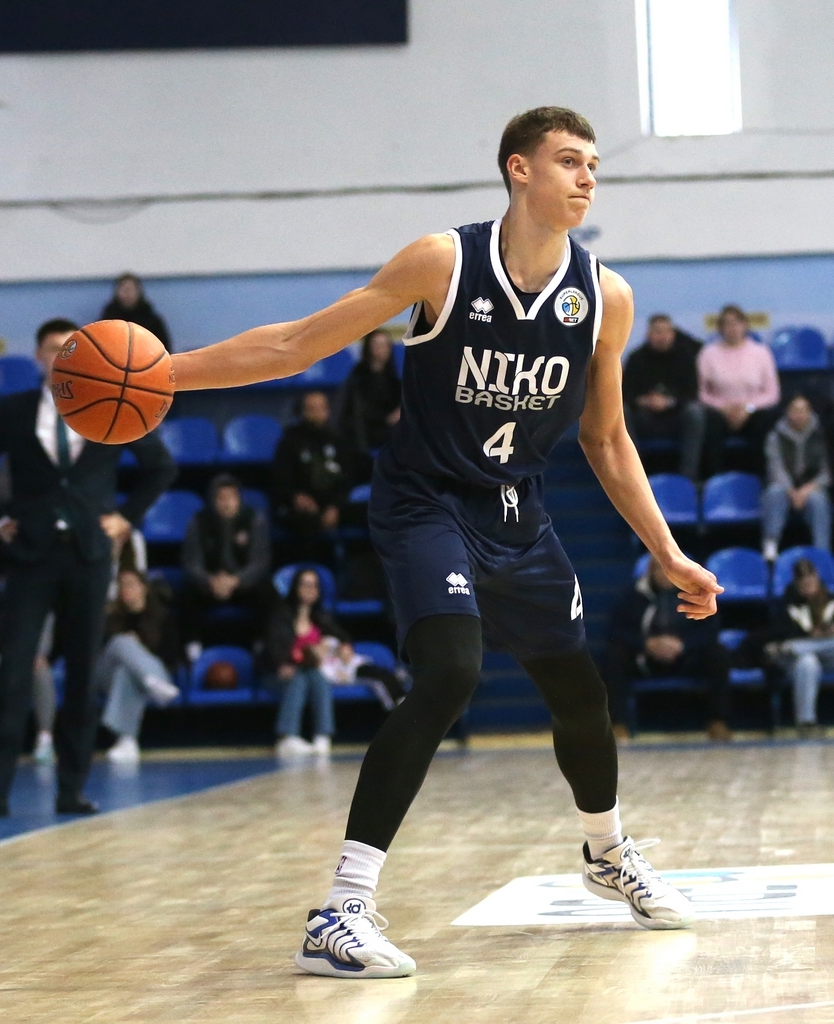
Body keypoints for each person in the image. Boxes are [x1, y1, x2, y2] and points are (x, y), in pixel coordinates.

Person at [89, 107, 723, 975]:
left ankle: (606, 853)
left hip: (517, 512)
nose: (586, 178)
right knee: (451, 670)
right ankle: (340, 911)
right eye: (568, 161)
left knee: (581, 694)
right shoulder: (442, 262)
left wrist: (666, 550)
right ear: (518, 169)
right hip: (425, 501)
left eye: (593, 165)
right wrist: (163, 374)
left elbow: (606, 438)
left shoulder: (604, 298)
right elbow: (296, 345)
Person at [0, 318, 176, 821]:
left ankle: (72, 788)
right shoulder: (14, 410)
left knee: (81, 674)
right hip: (30, 554)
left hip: (88, 554)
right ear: (38, 356)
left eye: (67, 348)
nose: (59, 356)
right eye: (53, 349)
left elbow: (162, 466)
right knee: (13, 671)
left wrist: (125, 518)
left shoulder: (113, 406)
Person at [603, 557, 731, 742]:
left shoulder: (695, 594)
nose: (665, 575)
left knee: (718, 653)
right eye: (660, 569)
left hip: (685, 657)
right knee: (613, 656)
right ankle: (617, 725)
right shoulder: (633, 595)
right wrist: (646, 644)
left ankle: (718, 722)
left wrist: (683, 644)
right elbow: (615, 631)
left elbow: (710, 630)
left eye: (669, 570)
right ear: (650, 571)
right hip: (645, 659)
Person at [262, 567, 352, 758]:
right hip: (277, 673)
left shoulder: (320, 617)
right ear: (295, 587)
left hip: (307, 671)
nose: (310, 589)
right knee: (297, 678)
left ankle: (323, 735)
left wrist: (344, 645)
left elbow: (341, 635)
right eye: (305, 584)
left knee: (318, 677)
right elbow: (274, 648)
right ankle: (286, 737)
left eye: (314, 585)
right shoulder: (281, 614)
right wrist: (282, 664)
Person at [181, 473, 272, 652]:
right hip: (210, 583)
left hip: (243, 583)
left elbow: (260, 562)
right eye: (221, 498)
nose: (227, 503)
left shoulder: (254, 519)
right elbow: (191, 563)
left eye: (231, 497)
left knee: (267, 592)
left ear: (239, 499)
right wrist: (209, 580)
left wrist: (236, 580)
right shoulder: (198, 521)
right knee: (186, 592)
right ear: (213, 501)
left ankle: (261, 645)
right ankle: (192, 647)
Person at [97, 569, 181, 763]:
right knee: (122, 642)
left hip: (132, 676)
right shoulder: (110, 616)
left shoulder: (162, 617)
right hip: (106, 674)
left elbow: (171, 656)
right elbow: (100, 652)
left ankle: (127, 740)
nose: (125, 589)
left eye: (131, 584)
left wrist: (141, 650)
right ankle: (152, 680)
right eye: (122, 585)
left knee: (126, 673)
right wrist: (132, 646)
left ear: (143, 588)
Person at [0, 600, 55, 764]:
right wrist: (8, 662)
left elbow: (41, 651)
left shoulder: (43, 612)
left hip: (25, 672)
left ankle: (45, 738)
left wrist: (22, 663)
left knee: (42, 671)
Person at [697, 305, 780, 477]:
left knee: (766, 420)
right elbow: (701, 392)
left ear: (745, 325)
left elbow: (772, 393)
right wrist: (723, 408)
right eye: (727, 324)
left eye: (736, 323)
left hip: (753, 412)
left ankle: (761, 478)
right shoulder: (708, 353)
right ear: (720, 328)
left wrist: (748, 408)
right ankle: (715, 478)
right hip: (720, 412)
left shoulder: (761, 352)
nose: (732, 328)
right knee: (708, 420)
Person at [622, 314, 705, 479]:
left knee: (695, 412)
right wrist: (645, 401)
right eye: (657, 332)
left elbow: (692, 393)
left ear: (673, 334)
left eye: (666, 332)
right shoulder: (636, 358)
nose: (662, 336)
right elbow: (625, 393)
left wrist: (669, 402)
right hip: (645, 418)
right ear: (648, 334)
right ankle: (633, 475)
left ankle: (689, 478)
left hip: (675, 418)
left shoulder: (685, 358)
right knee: (622, 412)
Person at [271, 391, 350, 562]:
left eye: (321, 408)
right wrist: (295, 496)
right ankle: (311, 570)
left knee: (375, 513)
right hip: (301, 506)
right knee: (307, 522)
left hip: (333, 503)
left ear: (328, 411)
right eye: (311, 409)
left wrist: (335, 506)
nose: (317, 413)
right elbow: (280, 479)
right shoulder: (289, 441)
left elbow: (346, 477)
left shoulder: (338, 440)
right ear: (302, 412)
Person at [766, 558, 834, 738]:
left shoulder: (831, 600)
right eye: (803, 582)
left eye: (811, 579)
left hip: (829, 654)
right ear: (796, 583)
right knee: (808, 662)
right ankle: (806, 723)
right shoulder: (788, 604)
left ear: (817, 577)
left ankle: (794, 647)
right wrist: (808, 634)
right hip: (796, 661)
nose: (808, 584)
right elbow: (778, 632)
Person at [761, 394, 832, 561]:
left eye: (803, 410)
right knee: (774, 493)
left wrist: (806, 490)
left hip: (812, 486)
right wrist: (791, 490)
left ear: (810, 412)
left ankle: (822, 552)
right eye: (795, 410)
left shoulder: (822, 435)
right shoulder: (775, 436)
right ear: (787, 412)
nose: (799, 415)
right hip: (784, 486)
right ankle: (770, 545)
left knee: (819, 500)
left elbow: (826, 471)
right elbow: (775, 467)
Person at [338, 328, 402, 477]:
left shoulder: (393, 378)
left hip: (391, 430)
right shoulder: (357, 378)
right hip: (364, 433)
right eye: (377, 345)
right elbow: (356, 413)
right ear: (368, 348)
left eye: (385, 345)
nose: (381, 350)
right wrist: (386, 419)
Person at [101, 272, 172, 352]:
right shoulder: (107, 321)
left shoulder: (153, 321)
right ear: (116, 292)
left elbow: (165, 349)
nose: (127, 294)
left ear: (139, 292)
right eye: (124, 290)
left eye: (130, 290)